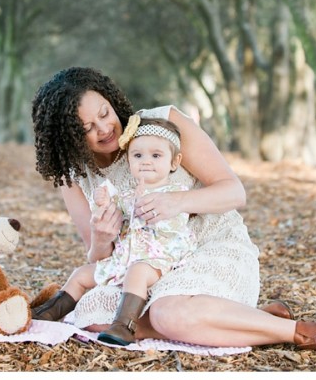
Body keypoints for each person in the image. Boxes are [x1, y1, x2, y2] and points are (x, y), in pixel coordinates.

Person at [30, 66, 316, 353]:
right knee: (90, 314)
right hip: (143, 269)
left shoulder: (163, 123)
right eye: (85, 128)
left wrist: (178, 201)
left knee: (166, 315)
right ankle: (247, 319)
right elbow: (101, 262)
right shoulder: (74, 176)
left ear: (110, 99)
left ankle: (303, 333)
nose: (103, 129)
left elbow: (234, 191)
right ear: (68, 138)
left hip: (209, 249)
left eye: (103, 113)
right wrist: (101, 238)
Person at [32, 117, 197, 346]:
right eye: (138, 155)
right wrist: (104, 204)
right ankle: (46, 314)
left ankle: (124, 325)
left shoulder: (174, 193)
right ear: (129, 159)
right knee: (81, 274)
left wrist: (145, 205)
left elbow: (172, 228)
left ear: (174, 161)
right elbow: (115, 222)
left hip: (156, 259)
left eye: (156, 156)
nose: (146, 162)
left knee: (137, 273)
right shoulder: (127, 194)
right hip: (123, 259)